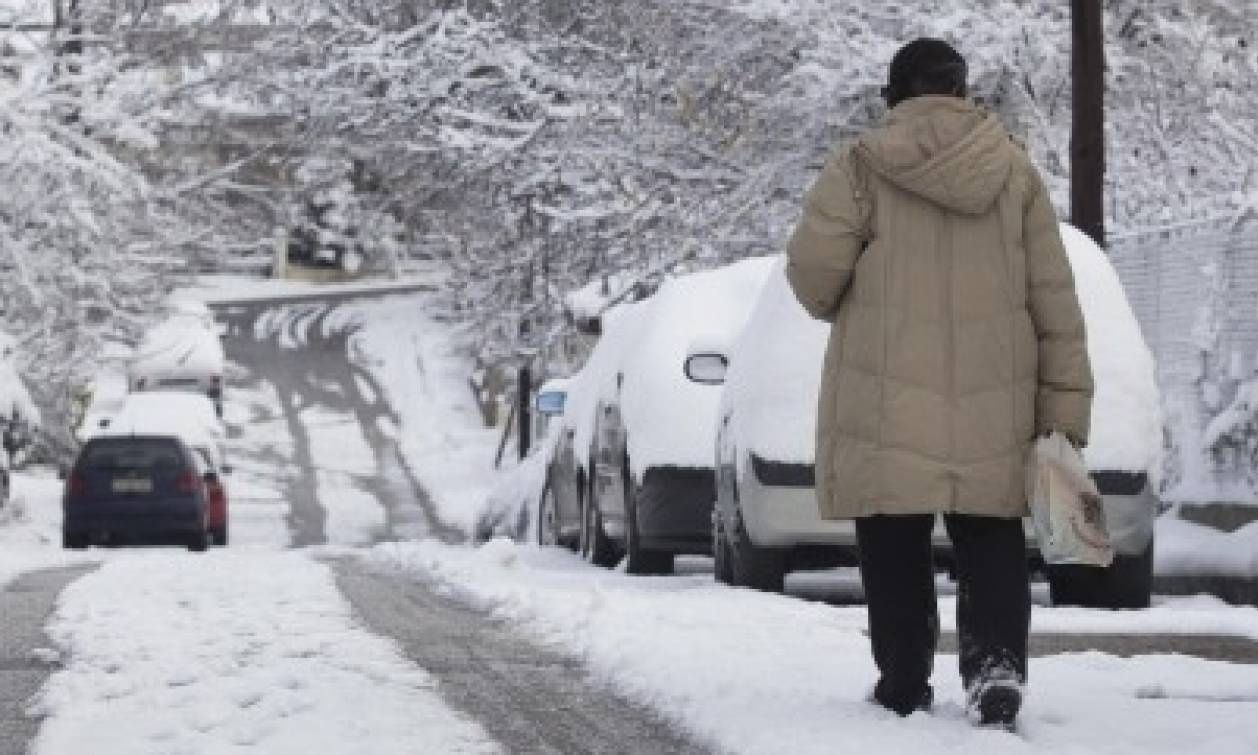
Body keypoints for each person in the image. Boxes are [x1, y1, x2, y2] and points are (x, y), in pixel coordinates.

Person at [785, 38, 1093, 727]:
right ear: (962, 93)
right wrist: (1066, 410)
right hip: (995, 399)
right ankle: (995, 669)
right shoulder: (1014, 173)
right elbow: (1057, 303)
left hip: (886, 397)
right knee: (990, 531)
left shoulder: (860, 168)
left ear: (893, 97)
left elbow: (812, 280)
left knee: (892, 533)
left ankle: (902, 676)